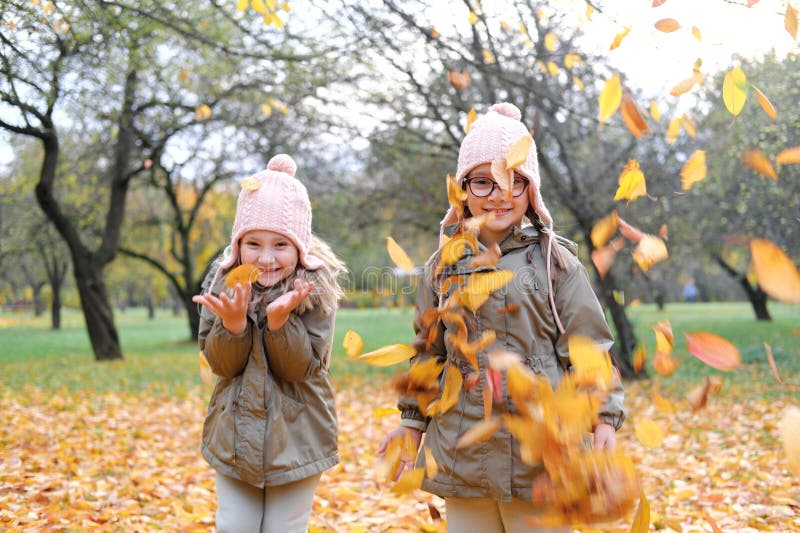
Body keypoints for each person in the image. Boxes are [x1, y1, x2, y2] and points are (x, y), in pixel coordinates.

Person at [379, 103, 626, 532]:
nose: (500, 193)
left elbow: (589, 348)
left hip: (540, 453)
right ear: (462, 191)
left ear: (532, 188)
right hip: (464, 450)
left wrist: (603, 417)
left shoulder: (555, 263)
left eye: (514, 179)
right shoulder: (443, 267)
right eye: (483, 182)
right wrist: (410, 424)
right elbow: (428, 354)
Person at [193, 154, 344, 533]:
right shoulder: (223, 284)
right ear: (238, 244)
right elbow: (222, 366)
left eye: (280, 245)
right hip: (236, 433)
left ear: (299, 246)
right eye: (254, 244)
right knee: (234, 526)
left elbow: (302, 369)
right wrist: (233, 326)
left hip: (297, 434)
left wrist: (280, 324)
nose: (265, 257)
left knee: (285, 528)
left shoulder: (315, 291)